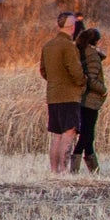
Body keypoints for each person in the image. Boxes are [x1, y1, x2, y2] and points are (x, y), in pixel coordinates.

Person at [40, 11, 85, 176]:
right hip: (68, 96)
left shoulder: (48, 46)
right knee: (69, 132)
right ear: (72, 27)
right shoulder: (68, 46)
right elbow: (76, 72)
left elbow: (43, 71)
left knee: (57, 134)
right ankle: (64, 170)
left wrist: (55, 81)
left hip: (52, 95)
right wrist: (82, 82)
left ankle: (54, 171)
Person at [71, 27, 107, 173]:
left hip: (83, 99)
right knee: (87, 134)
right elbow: (91, 79)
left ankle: (94, 170)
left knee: (88, 134)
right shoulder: (92, 55)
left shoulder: (81, 52)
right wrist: (103, 90)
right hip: (90, 100)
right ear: (95, 41)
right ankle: (74, 167)